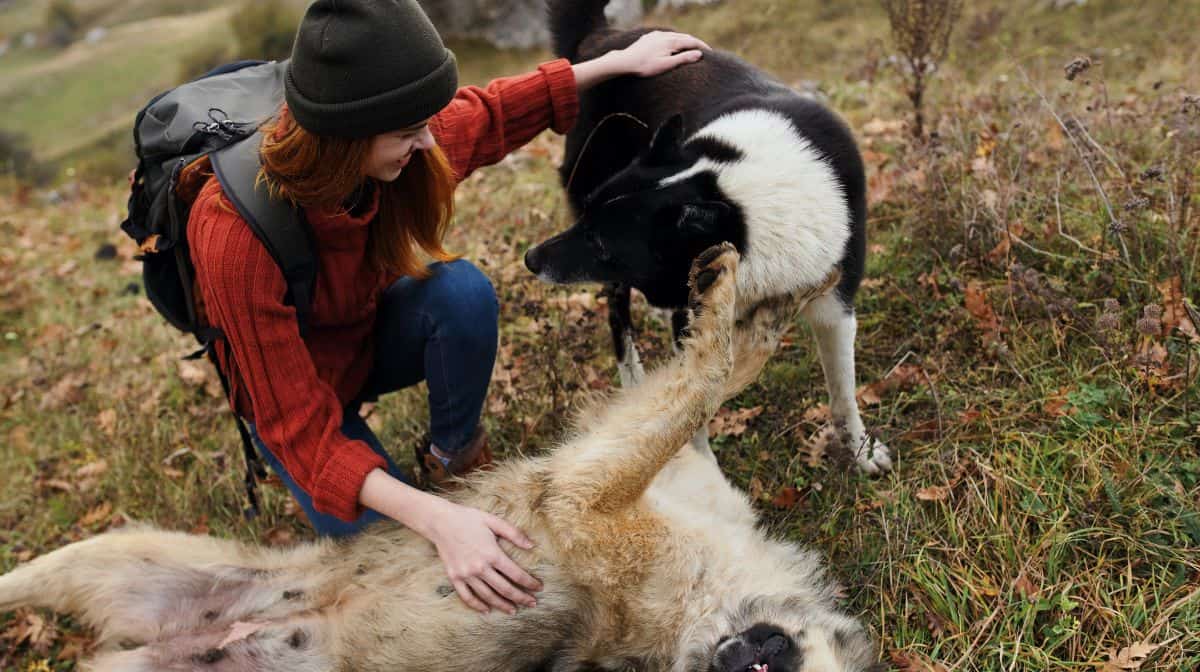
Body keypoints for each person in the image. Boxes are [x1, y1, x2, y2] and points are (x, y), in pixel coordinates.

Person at [178, 0, 709, 617]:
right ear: (347, 136)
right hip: (297, 402)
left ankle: (455, 456)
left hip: (366, 336)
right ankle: (427, 501)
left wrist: (611, 64)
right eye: (409, 132)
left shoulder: (393, 145)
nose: (429, 141)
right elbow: (298, 426)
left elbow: (485, 114)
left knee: (461, 291)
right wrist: (440, 521)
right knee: (402, 559)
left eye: (424, 124)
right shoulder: (231, 232)